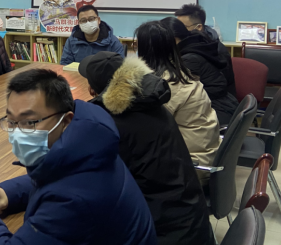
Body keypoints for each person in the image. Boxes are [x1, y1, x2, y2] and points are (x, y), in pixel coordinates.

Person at [0, 68, 157, 245]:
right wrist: (6, 194)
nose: (17, 132)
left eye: (29, 122)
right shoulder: (90, 141)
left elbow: (65, 191)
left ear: (66, 120)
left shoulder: (74, 202)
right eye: (11, 121)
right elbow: (53, 177)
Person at [80, 52, 213, 245]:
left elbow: (87, 182)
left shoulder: (112, 127)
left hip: (162, 232)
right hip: (190, 220)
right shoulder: (151, 105)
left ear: (92, 90)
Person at [135, 21, 220, 177]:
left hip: (190, 168)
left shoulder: (163, 84)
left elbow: (146, 130)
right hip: (205, 155)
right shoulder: (179, 72)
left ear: (144, 49)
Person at [161, 17, 239, 125]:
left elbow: (179, 94)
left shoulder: (189, 59)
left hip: (216, 110)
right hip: (223, 104)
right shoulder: (197, 46)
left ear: (172, 39)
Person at [174, 3, 236, 97]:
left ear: (199, 27)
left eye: (183, 27)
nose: (178, 32)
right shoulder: (189, 45)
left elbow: (219, 86)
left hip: (217, 99)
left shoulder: (215, 49)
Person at [60, 4, 125, 65]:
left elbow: (119, 66)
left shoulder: (113, 41)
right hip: (77, 73)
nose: (88, 23)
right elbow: (65, 64)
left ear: (98, 20)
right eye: (83, 20)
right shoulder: (72, 41)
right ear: (79, 23)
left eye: (91, 19)